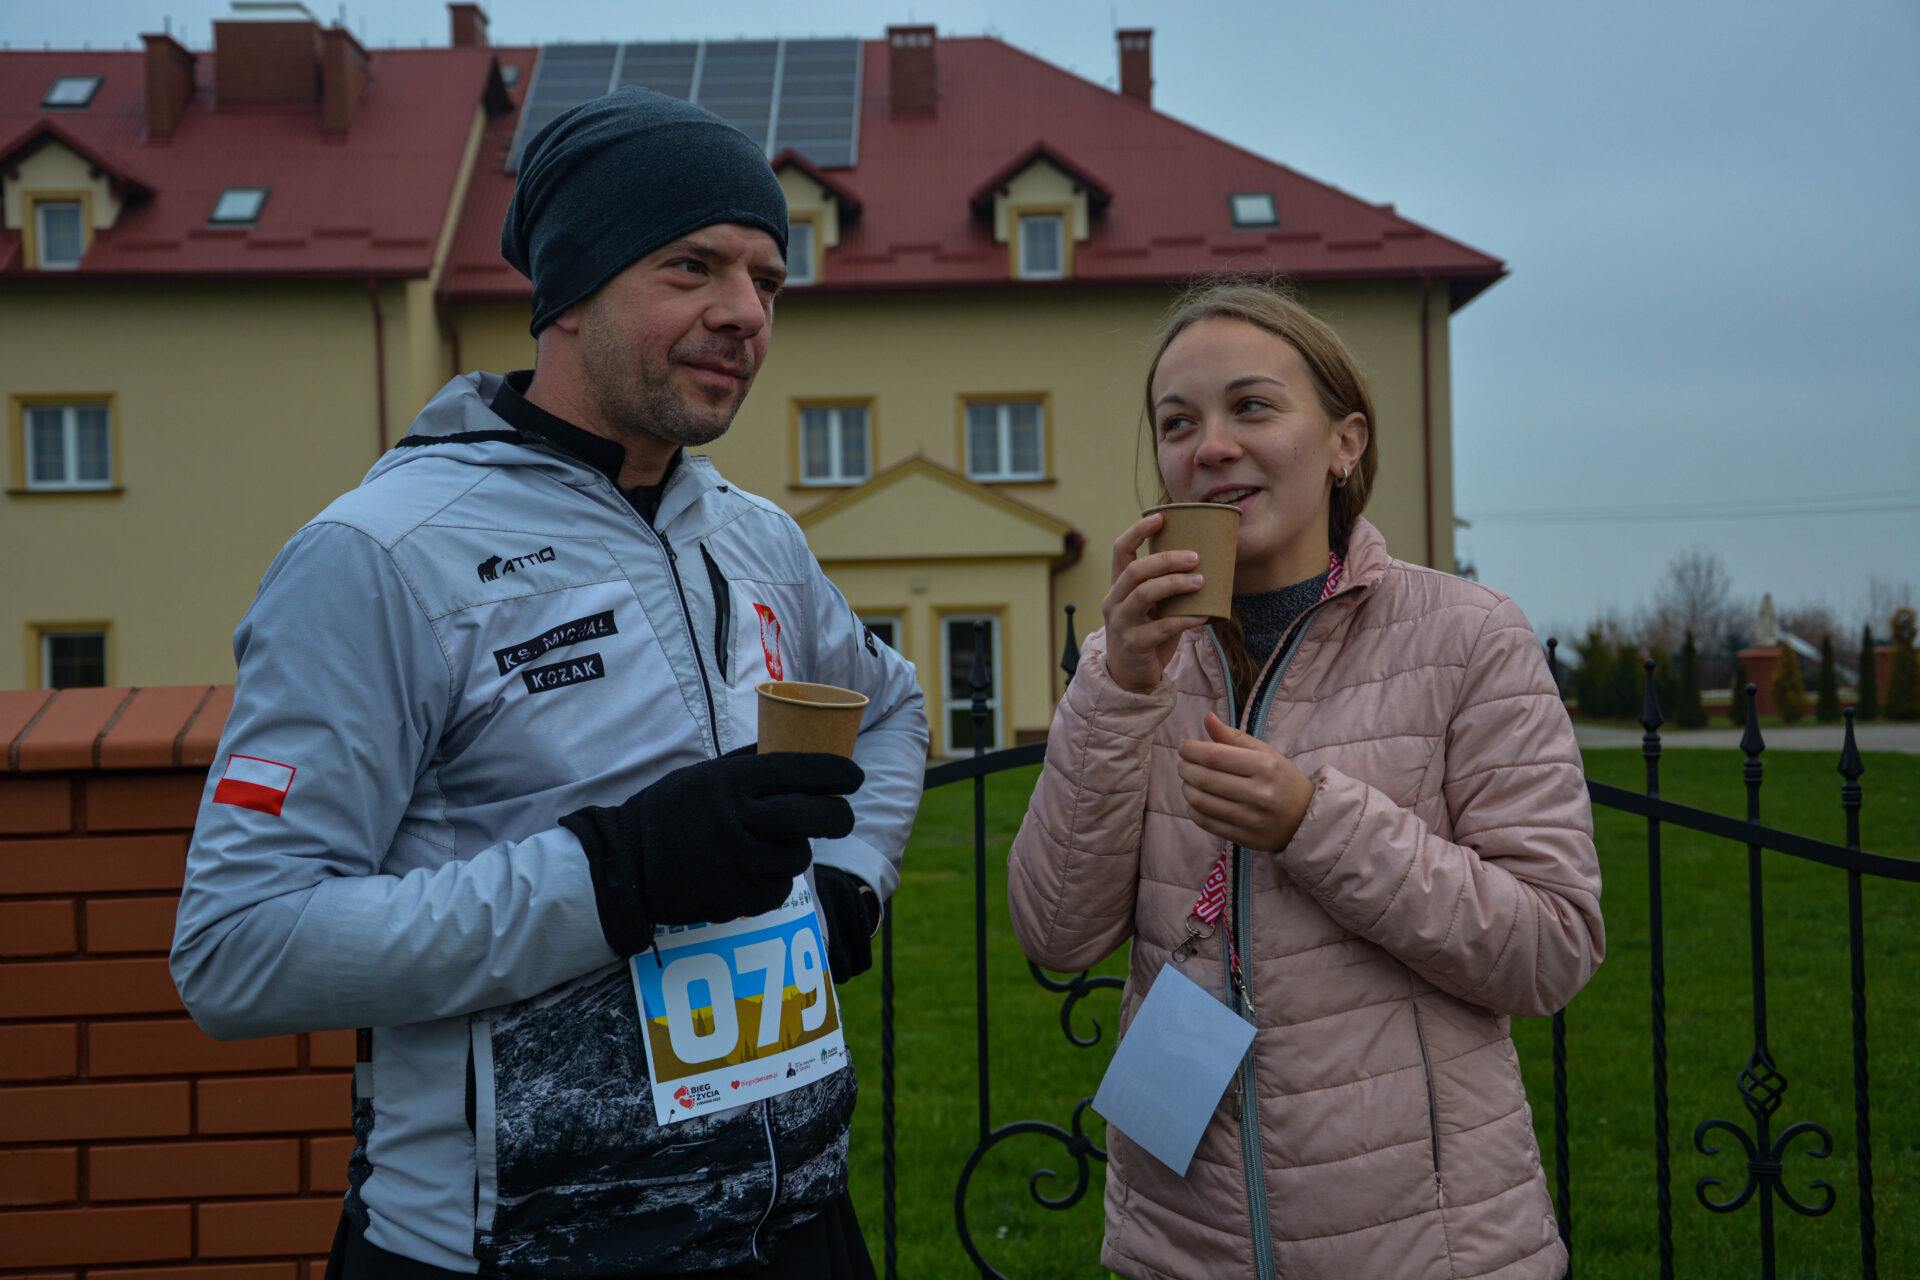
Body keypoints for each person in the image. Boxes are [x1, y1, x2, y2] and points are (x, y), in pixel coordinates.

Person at [172, 89, 927, 1280]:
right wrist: (614, 874)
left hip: (797, 1230)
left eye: (767, 279)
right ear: (569, 290)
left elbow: (890, 706)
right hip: (513, 1250)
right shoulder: (382, 554)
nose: (745, 311)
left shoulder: (758, 537)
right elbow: (237, 948)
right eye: (693, 265)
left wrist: (848, 887)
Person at [1007, 280, 1602, 1280]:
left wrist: (1314, 825)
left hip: (1428, 1245)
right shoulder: (1133, 663)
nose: (1212, 446)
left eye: (1252, 406)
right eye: (1177, 422)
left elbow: (1551, 946)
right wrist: (1120, 689)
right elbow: (1056, 930)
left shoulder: (1468, 637)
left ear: (1344, 443)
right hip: (1186, 1245)